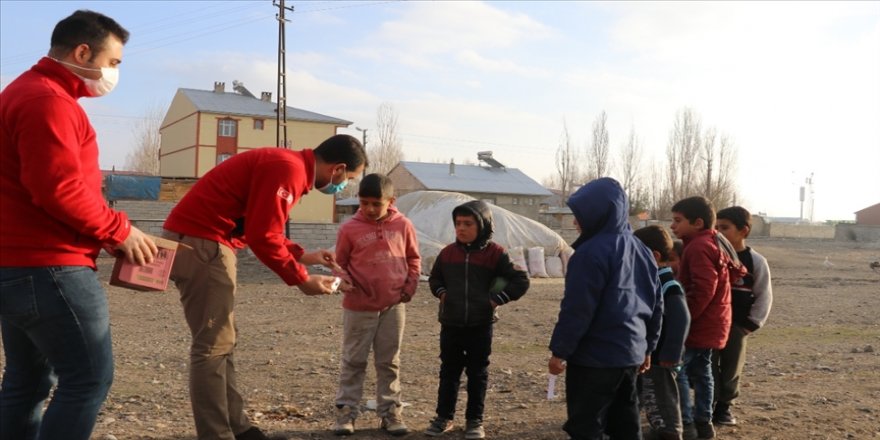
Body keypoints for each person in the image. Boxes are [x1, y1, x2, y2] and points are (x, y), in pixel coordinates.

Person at [0, 10, 159, 440]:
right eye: (113, 62)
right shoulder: (47, 101)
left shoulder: (23, 92)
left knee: (25, 385)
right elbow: (58, 190)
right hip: (52, 266)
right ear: (82, 51)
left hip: (16, 265)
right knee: (88, 380)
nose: (113, 73)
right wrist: (119, 230)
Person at [162, 134, 367, 440]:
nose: (343, 186)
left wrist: (303, 255)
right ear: (337, 169)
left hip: (202, 241)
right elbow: (262, 236)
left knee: (222, 341)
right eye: (348, 179)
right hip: (205, 245)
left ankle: (236, 426)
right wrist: (301, 279)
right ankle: (217, 433)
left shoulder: (286, 164)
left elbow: (260, 224)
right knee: (212, 346)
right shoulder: (289, 170)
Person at [548, 177, 662, 440]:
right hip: (630, 354)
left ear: (598, 214)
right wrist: (648, 347)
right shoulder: (642, 249)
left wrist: (560, 351)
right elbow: (656, 303)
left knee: (586, 425)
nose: (576, 222)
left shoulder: (589, 254)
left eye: (580, 215)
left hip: (594, 359)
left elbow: (577, 309)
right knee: (625, 423)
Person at [425, 200, 529, 439]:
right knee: (449, 372)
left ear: (482, 225)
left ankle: (474, 420)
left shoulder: (496, 254)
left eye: (468, 223)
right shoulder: (447, 253)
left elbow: (520, 280)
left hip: (480, 325)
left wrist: (495, 300)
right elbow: (435, 279)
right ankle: (444, 418)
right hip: (450, 324)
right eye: (458, 223)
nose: (461, 228)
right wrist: (442, 294)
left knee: (477, 374)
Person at [331, 174, 421, 437]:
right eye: (364, 203)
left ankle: (390, 412)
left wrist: (409, 287)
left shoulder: (403, 226)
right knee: (354, 360)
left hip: (393, 307)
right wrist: (343, 281)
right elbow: (340, 265)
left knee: (389, 361)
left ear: (390, 201)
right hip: (358, 306)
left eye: (376, 204)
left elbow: (414, 260)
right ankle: (347, 412)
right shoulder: (349, 228)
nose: (369, 209)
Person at [669, 196, 746, 440]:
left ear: (698, 222)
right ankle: (704, 423)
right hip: (715, 322)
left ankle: (688, 423)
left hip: (700, 323)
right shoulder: (713, 242)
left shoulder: (699, 246)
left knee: (676, 370)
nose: (673, 226)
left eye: (678, 221)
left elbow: (704, 289)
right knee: (704, 372)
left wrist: (684, 319)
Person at [712, 206, 773, 426]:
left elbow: (763, 296)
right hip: (711, 325)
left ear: (743, 231)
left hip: (737, 326)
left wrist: (748, 326)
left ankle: (724, 407)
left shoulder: (756, 261)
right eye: (716, 227)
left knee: (731, 368)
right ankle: (708, 405)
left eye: (725, 228)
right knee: (708, 367)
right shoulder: (711, 255)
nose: (719, 232)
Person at [634, 225, 692, 440]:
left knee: (662, 396)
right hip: (649, 355)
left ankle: (670, 432)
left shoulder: (668, 284)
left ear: (654, 256)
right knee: (647, 394)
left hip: (661, 358)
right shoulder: (652, 281)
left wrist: (671, 354)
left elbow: (681, 318)